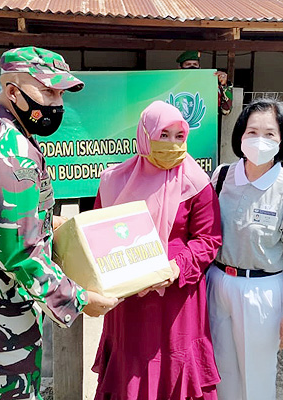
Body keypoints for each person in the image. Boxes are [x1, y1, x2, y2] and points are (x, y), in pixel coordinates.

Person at [0, 47, 120, 400]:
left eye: (60, 94)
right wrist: (78, 300)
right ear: (12, 92)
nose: (57, 104)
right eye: (47, 92)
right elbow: (18, 251)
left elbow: (12, 221)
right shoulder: (10, 154)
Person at [93, 100, 222, 400]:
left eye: (179, 136)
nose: (173, 144)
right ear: (144, 135)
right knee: (130, 367)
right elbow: (98, 231)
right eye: (164, 135)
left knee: (175, 363)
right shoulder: (113, 181)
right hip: (128, 300)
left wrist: (175, 267)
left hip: (176, 299)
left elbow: (209, 239)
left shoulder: (197, 182)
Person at [207, 98, 283, 400]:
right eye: (252, 132)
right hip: (217, 282)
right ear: (240, 136)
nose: (259, 140)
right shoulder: (222, 176)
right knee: (219, 370)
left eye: (270, 134)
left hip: (262, 289)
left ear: (282, 141)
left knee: (257, 375)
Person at [176, 50, 233, 115]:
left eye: (195, 64)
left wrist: (224, 85)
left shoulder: (208, 86)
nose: (192, 66)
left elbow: (226, 110)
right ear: (180, 68)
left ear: (199, 68)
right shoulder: (173, 85)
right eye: (188, 64)